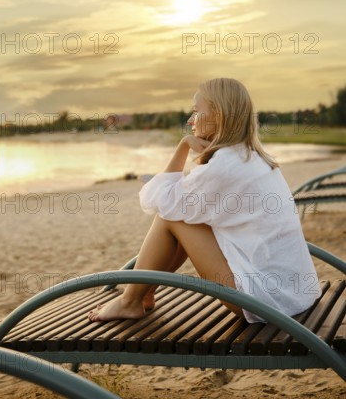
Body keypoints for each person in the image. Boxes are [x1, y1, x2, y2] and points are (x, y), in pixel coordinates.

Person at [88, 77, 321, 323]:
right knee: (186, 214)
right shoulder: (250, 156)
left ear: (218, 115)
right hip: (294, 292)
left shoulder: (225, 165)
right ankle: (143, 295)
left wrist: (183, 146)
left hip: (267, 300)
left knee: (170, 217)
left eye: (196, 111)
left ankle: (130, 301)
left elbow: (155, 200)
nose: (190, 120)